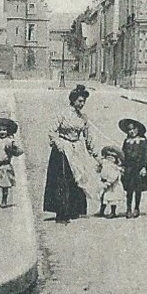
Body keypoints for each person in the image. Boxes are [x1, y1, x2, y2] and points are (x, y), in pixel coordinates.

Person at [43, 84, 100, 223]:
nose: (82, 104)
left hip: (76, 149)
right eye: (80, 101)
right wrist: (58, 143)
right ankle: (61, 212)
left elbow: (88, 137)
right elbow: (52, 131)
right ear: (73, 100)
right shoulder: (63, 114)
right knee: (62, 180)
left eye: (84, 102)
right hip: (62, 149)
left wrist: (96, 155)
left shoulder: (83, 118)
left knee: (77, 178)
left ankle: (74, 210)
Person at [119, 118, 147, 218]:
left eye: (133, 129)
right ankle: (128, 209)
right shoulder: (127, 141)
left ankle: (136, 208)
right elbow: (123, 155)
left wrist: (144, 167)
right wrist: (122, 166)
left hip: (139, 168)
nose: (131, 132)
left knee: (138, 189)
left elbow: (146, 155)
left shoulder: (143, 141)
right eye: (129, 130)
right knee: (129, 190)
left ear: (138, 130)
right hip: (129, 168)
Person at [98, 146, 124, 219]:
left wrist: (109, 182)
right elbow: (100, 171)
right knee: (103, 197)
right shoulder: (105, 165)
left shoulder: (115, 168)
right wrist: (99, 167)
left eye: (112, 158)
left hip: (113, 186)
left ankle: (113, 212)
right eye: (108, 157)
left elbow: (113, 176)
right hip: (104, 183)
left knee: (112, 198)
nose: (109, 159)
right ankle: (101, 211)